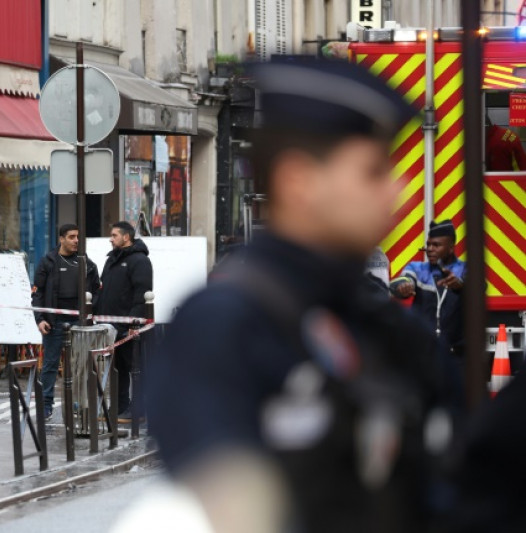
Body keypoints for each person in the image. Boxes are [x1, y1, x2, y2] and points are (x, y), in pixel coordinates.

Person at [148, 58, 459, 533]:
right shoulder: (227, 326)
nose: (395, 192)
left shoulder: (385, 324)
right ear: (299, 182)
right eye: (373, 173)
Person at [33, 224, 101, 420]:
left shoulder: (87, 263)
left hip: (79, 323)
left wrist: (89, 313)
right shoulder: (48, 262)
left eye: (78, 237)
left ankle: (79, 404)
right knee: (50, 365)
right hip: (54, 322)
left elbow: (97, 290)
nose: (76, 240)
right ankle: (46, 405)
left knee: (81, 366)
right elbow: (37, 294)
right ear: (61, 239)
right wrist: (40, 319)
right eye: (71, 237)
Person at [94, 221, 152, 422]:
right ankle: (119, 408)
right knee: (117, 369)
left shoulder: (139, 260)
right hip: (110, 325)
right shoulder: (111, 260)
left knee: (135, 369)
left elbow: (141, 294)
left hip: (129, 326)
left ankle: (138, 411)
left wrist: (133, 324)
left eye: (114, 235)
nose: (111, 239)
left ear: (126, 237)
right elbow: (104, 290)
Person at [390, 220, 466, 355]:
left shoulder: (465, 269)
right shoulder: (417, 268)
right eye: (428, 244)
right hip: (423, 353)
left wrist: (460, 286)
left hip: (456, 355)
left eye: (436, 245)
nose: (430, 249)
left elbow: (479, 287)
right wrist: (403, 286)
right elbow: (403, 280)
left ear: (451, 247)